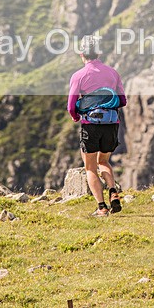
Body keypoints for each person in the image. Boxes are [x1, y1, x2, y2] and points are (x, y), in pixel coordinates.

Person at [67, 35, 127, 217]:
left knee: (90, 167)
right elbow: (123, 100)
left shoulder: (79, 76)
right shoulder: (113, 73)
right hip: (111, 124)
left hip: (90, 125)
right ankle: (113, 191)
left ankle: (101, 207)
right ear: (99, 52)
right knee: (104, 161)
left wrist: (76, 116)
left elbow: (71, 105)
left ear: (82, 54)